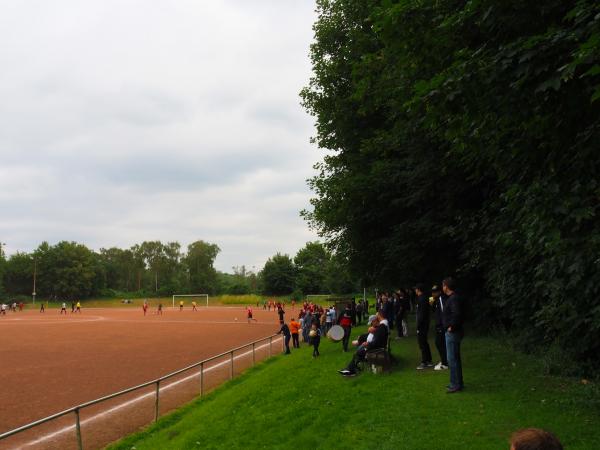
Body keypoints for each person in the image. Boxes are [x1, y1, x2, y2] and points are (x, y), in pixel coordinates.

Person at [339, 310, 389, 376]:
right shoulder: (382, 326)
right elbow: (377, 340)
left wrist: (368, 344)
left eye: (377, 315)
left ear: (379, 316)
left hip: (377, 349)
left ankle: (351, 370)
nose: (377, 317)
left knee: (358, 353)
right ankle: (350, 369)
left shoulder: (382, 326)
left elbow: (377, 342)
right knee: (358, 353)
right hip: (376, 347)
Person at [443, 277, 464, 393]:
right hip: (453, 332)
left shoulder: (453, 299)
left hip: (453, 333)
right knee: (454, 358)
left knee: (452, 359)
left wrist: (451, 327)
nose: (442, 288)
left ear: (446, 286)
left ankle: (456, 384)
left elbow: (457, 314)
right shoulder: (452, 298)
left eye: (443, 285)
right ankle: (456, 382)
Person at [415, 284, 434, 370]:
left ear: (418, 290)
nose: (415, 291)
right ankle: (429, 360)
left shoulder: (421, 299)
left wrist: (418, 326)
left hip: (422, 324)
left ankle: (424, 362)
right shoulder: (424, 298)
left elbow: (421, 314)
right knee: (424, 342)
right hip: (425, 323)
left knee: (422, 343)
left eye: (416, 289)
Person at [431, 285, 448, 370]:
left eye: (435, 292)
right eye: (433, 292)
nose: (433, 293)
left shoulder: (441, 299)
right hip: (439, 325)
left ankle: (445, 363)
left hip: (442, 326)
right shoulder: (437, 300)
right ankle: (444, 360)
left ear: (439, 292)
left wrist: (443, 325)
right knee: (439, 343)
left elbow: (443, 312)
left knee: (440, 343)